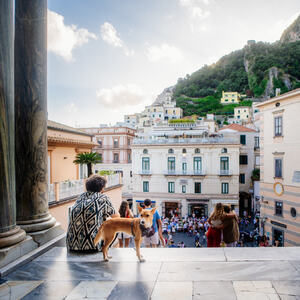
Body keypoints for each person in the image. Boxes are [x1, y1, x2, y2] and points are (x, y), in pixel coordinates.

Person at [66, 175, 119, 252]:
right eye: (104, 187)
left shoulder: (80, 197)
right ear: (101, 188)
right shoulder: (102, 198)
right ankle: (104, 250)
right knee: (115, 225)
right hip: (92, 246)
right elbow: (116, 217)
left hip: (72, 245)